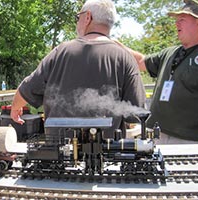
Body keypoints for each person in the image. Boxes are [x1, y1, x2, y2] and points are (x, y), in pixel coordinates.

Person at [10, 0, 146, 138]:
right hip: (106, 152)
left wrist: (15, 107)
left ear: (87, 17)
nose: (77, 22)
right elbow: (136, 112)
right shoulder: (125, 58)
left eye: (78, 17)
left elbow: (28, 88)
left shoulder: (60, 52)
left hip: (59, 152)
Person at [117, 0, 198, 144]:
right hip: (157, 135)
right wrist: (113, 44)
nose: (177, 24)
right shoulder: (171, 52)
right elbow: (141, 62)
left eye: (182, 20)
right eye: (177, 20)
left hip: (190, 141)